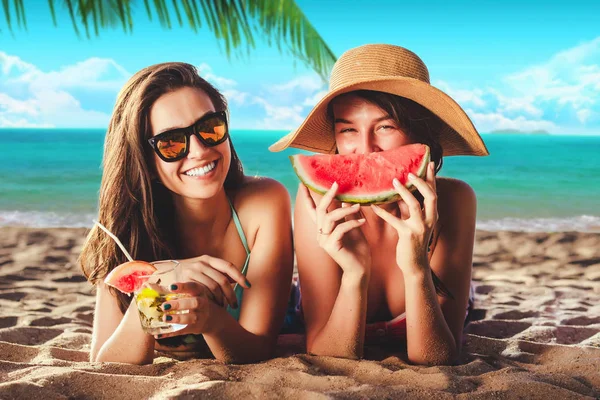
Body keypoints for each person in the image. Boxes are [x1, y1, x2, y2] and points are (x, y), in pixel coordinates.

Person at [271, 44, 489, 365]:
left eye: (386, 126)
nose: (365, 148)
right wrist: (354, 274)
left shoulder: (456, 201)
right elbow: (328, 352)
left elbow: (436, 358)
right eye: (347, 129)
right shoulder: (316, 202)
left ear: (420, 133)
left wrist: (416, 268)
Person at [80, 62, 294, 364]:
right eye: (170, 142)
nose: (199, 150)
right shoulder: (127, 227)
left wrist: (211, 321)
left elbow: (257, 350)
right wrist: (158, 282)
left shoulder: (265, 202)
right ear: (145, 161)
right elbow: (107, 364)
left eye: (210, 127)